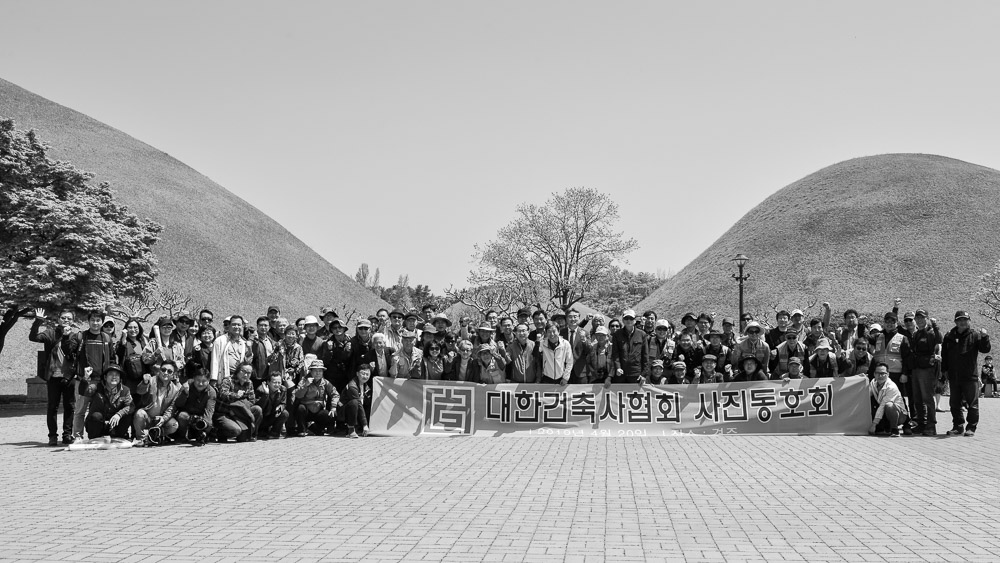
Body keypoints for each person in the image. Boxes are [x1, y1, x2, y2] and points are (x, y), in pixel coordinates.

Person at [29, 308, 80, 446]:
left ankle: (67, 435)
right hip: (53, 375)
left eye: (69, 318)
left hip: (69, 376)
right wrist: (38, 321)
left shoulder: (75, 336)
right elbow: (33, 337)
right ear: (58, 319)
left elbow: (71, 352)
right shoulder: (50, 333)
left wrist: (66, 336)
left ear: (73, 321)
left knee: (70, 406)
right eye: (63, 318)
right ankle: (52, 436)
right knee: (52, 406)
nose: (66, 320)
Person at [942, 311, 991, 437]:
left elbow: (985, 349)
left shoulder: (975, 335)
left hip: (970, 376)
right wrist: (944, 370)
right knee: (954, 403)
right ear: (955, 322)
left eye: (965, 319)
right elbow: (944, 355)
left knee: (972, 404)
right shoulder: (949, 336)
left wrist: (985, 337)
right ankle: (958, 426)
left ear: (969, 321)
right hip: (954, 376)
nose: (962, 322)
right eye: (960, 320)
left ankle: (971, 427)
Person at [72, 310, 115, 442]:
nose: (95, 323)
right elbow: (71, 353)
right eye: (93, 320)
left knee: (101, 411)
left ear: (102, 322)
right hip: (84, 380)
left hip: (101, 382)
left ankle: (98, 434)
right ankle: (77, 436)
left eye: (98, 320)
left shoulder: (106, 338)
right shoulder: (81, 337)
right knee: (80, 410)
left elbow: (112, 359)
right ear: (88, 321)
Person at [132, 359, 183, 446]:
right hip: (146, 417)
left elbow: (171, 408)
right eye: (163, 370)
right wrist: (145, 383)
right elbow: (139, 391)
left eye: (169, 371)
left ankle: (155, 436)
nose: (165, 373)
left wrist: (163, 418)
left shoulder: (175, 390)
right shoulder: (151, 380)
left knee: (174, 425)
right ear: (159, 370)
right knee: (139, 413)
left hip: (159, 419)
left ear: (173, 375)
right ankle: (141, 439)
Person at [909, 309, 943, 436]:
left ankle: (931, 425)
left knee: (927, 398)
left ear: (927, 318)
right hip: (916, 368)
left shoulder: (931, 332)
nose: (919, 320)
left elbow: (939, 340)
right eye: (917, 318)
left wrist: (935, 325)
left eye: (922, 317)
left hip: (927, 368)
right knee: (917, 398)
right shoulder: (917, 333)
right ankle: (921, 423)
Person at [161, 368, 216, 446]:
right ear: (194, 379)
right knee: (182, 416)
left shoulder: (212, 392)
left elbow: (209, 412)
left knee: (209, 424)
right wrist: (185, 393)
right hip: (186, 416)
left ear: (208, 381)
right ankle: (182, 437)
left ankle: (200, 436)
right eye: (198, 380)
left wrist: (205, 424)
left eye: (204, 381)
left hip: (200, 417)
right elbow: (178, 404)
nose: (200, 384)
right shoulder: (187, 386)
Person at [215, 362, 262, 442]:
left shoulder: (249, 383)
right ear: (237, 370)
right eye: (243, 371)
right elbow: (222, 394)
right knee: (236, 430)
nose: (246, 375)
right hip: (225, 413)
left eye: (249, 373)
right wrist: (236, 395)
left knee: (257, 409)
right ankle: (219, 432)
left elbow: (252, 400)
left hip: (239, 412)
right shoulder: (228, 380)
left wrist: (240, 406)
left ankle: (251, 434)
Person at [84, 364, 133, 439]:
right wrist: (86, 378)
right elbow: (85, 392)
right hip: (99, 424)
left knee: (127, 415)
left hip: (114, 424)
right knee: (96, 416)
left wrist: (119, 414)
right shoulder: (96, 387)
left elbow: (130, 406)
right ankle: (95, 438)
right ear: (105, 377)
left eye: (117, 375)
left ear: (120, 378)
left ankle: (119, 436)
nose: (114, 377)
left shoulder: (125, 390)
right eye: (111, 374)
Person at [293, 360, 339, 436]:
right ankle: (302, 430)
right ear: (310, 371)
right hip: (306, 410)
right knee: (300, 408)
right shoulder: (304, 381)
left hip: (318, 410)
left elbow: (335, 394)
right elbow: (298, 395)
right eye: (315, 371)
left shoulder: (325, 382)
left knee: (328, 415)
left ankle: (315, 428)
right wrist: (305, 386)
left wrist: (333, 407)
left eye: (320, 371)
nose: (318, 373)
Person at [209, 315, 252, 385]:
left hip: (239, 378)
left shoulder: (244, 342)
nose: (236, 327)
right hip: (224, 375)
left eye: (239, 325)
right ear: (229, 326)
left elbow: (248, 361)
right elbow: (215, 360)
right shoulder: (220, 340)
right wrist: (213, 379)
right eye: (234, 324)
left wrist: (250, 349)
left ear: (242, 326)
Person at [869, 363, 909, 437]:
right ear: (874, 374)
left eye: (883, 373)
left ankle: (895, 430)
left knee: (889, 405)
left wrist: (873, 425)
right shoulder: (873, 383)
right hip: (884, 413)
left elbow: (882, 406)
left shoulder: (891, 387)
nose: (880, 376)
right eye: (878, 373)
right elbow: (866, 396)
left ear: (888, 374)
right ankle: (884, 428)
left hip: (900, 416)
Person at [611, 310, 648, 384]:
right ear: (623, 320)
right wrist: (618, 367)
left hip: (636, 373)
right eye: (626, 318)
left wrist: (644, 374)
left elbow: (645, 355)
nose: (628, 320)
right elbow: (615, 353)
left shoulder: (642, 334)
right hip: (620, 373)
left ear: (635, 320)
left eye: (631, 318)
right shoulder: (617, 334)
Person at [116, 318, 148, 394]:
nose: (133, 330)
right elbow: (120, 352)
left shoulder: (142, 342)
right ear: (126, 329)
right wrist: (124, 337)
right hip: (128, 381)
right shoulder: (123, 343)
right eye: (130, 327)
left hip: (142, 380)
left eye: (135, 327)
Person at [256, 372, 289, 440]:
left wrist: (280, 408)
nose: (277, 385)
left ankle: (274, 433)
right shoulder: (261, 389)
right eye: (274, 382)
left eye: (279, 382)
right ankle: (259, 431)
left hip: (272, 415)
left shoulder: (283, 389)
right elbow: (259, 406)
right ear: (268, 382)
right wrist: (266, 394)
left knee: (285, 413)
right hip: (262, 417)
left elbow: (283, 403)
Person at [342, 365, 372, 438]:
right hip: (344, 412)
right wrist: (365, 425)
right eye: (363, 373)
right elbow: (359, 404)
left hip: (357, 411)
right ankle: (351, 430)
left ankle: (362, 428)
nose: (365, 376)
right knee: (354, 402)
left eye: (367, 374)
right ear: (357, 374)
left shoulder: (366, 386)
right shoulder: (352, 386)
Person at [248, 316, 274, 387]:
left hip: (268, 374)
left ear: (269, 327)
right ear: (257, 326)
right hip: (256, 375)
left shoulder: (270, 340)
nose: (263, 327)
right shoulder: (252, 340)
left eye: (265, 325)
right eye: (261, 325)